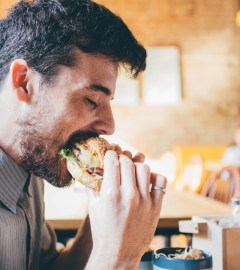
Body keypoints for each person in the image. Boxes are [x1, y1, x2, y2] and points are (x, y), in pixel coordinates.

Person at [0, 0, 167, 270]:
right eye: (91, 100)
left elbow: (48, 266)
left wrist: (105, 222)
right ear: (23, 82)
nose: (109, 126)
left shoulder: (31, 163)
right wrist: (119, 256)